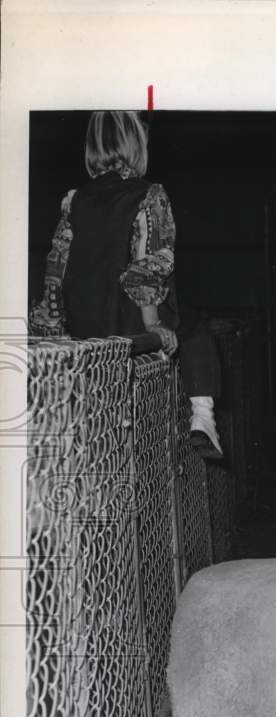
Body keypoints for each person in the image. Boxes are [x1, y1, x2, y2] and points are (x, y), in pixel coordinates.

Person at [29, 110, 222, 459]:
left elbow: (55, 268)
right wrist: (153, 324)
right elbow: (147, 264)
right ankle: (203, 416)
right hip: (133, 323)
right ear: (136, 145)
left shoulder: (74, 201)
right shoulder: (149, 195)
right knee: (197, 328)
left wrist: (53, 329)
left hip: (86, 327)